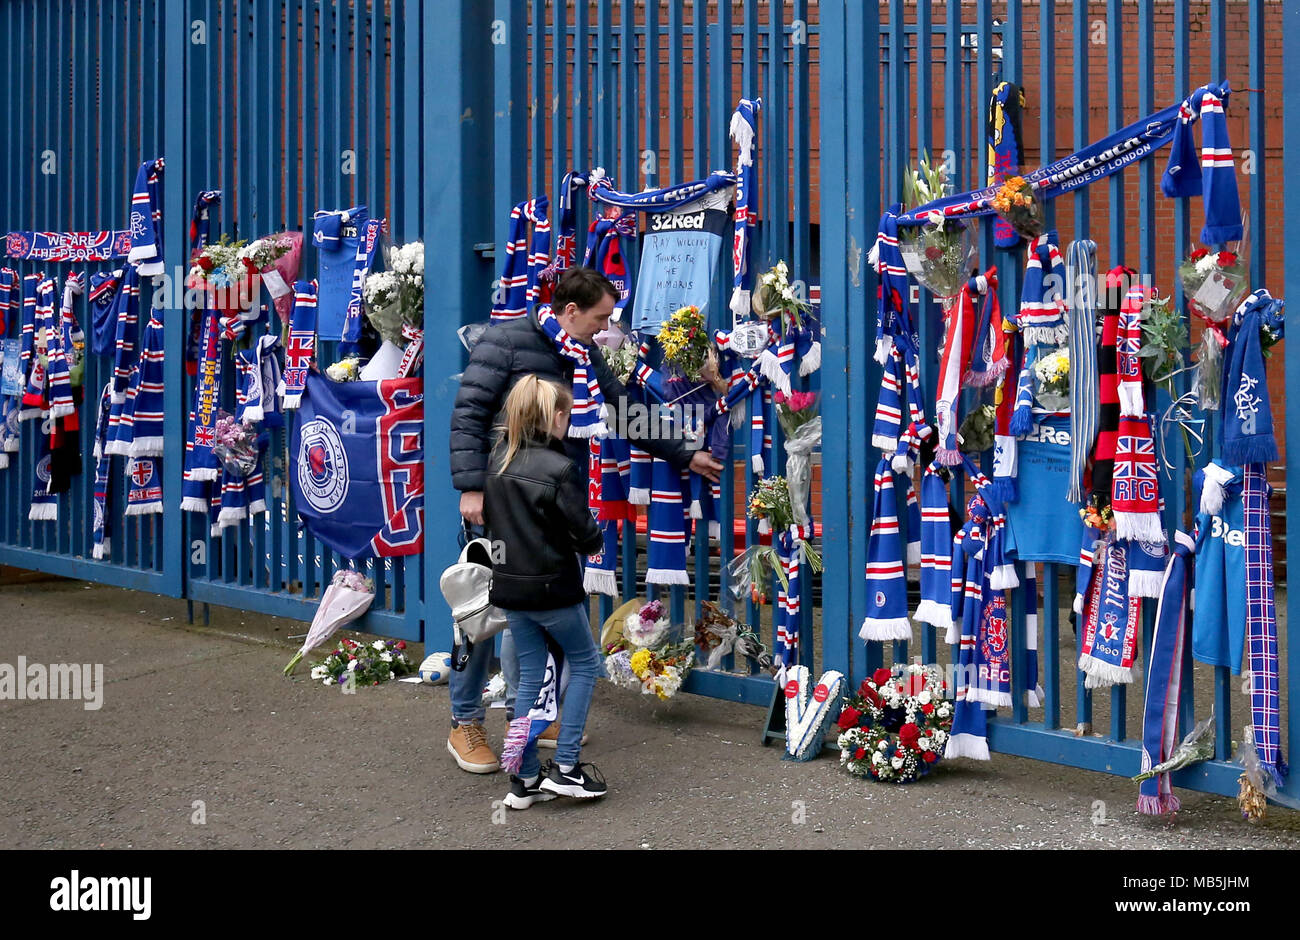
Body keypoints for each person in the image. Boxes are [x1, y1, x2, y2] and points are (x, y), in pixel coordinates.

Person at [445, 266, 723, 773]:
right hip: (501, 503)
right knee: (481, 610)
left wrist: (687, 453)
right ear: (570, 311)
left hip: (553, 504)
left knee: (534, 611)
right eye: (600, 317)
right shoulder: (504, 342)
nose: (604, 326)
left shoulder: (581, 352)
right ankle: (465, 720)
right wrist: (470, 487)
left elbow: (623, 410)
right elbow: (468, 414)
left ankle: (526, 715)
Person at [486, 376, 606, 807]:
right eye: (567, 416)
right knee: (586, 664)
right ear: (556, 417)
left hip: (511, 590)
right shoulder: (560, 469)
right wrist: (595, 539)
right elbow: (582, 530)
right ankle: (568, 767)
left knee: (529, 683)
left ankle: (524, 776)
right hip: (554, 589)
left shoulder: (498, 459)